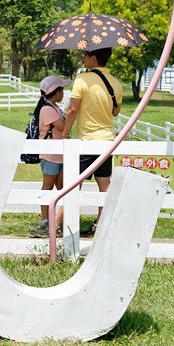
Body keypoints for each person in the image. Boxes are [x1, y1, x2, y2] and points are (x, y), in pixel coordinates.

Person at [62, 47, 123, 237]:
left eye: (85, 55)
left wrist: (65, 132)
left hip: (87, 140)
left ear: (94, 58)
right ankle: (102, 225)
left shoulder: (82, 80)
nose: (83, 58)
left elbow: (72, 109)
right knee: (104, 182)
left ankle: (55, 223)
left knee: (74, 183)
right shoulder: (116, 84)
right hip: (107, 140)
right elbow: (115, 112)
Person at [29, 75, 73, 238]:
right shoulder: (47, 109)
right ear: (56, 91)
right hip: (50, 155)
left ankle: (58, 219)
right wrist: (71, 112)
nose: (64, 93)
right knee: (48, 187)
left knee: (62, 187)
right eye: (62, 90)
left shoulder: (52, 107)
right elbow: (63, 128)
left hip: (59, 155)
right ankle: (45, 221)